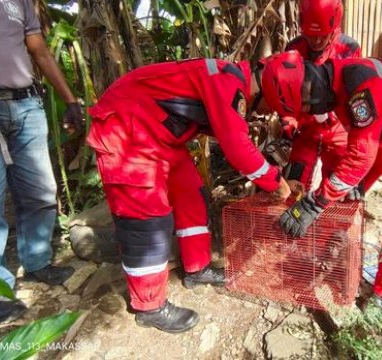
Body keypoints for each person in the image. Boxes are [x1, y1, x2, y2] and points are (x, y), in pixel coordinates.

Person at [87, 58, 292, 333]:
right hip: (128, 132)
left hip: (157, 134)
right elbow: (237, 147)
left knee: (192, 196)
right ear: (267, 92)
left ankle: (198, 269)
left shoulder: (231, 80)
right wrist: (275, 182)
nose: (268, 114)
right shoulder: (227, 83)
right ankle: (149, 307)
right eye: (271, 107)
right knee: (147, 222)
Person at [261, 51, 382, 307]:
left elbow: (360, 157)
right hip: (376, 140)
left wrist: (312, 204)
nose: (307, 111)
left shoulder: (360, 82)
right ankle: (331, 254)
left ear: (310, 90)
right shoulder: (330, 85)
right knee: (344, 197)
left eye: (305, 106)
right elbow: (316, 139)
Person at [0, 0, 80, 323]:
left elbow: (40, 51)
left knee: (42, 190)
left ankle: (36, 262)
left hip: (26, 105)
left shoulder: (20, 1)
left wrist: (70, 100)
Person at [282, 0, 360, 190]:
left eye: (322, 36)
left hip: (337, 130)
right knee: (294, 183)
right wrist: (288, 118)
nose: (316, 41)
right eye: (310, 35)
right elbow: (284, 91)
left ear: (334, 29)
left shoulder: (348, 49)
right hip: (305, 129)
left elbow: (354, 92)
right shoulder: (294, 49)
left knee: (337, 189)